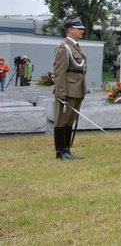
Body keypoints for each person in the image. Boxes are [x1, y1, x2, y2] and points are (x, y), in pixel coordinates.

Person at [52, 17, 87, 160]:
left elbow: (80, 71)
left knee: (70, 121)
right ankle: (61, 152)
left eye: (82, 29)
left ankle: (67, 150)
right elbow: (60, 72)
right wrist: (61, 93)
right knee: (62, 121)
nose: (82, 31)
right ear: (70, 30)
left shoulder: (76, 46)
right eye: (79, 29)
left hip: (77, 90)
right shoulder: (64, 47)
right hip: (67, 91)